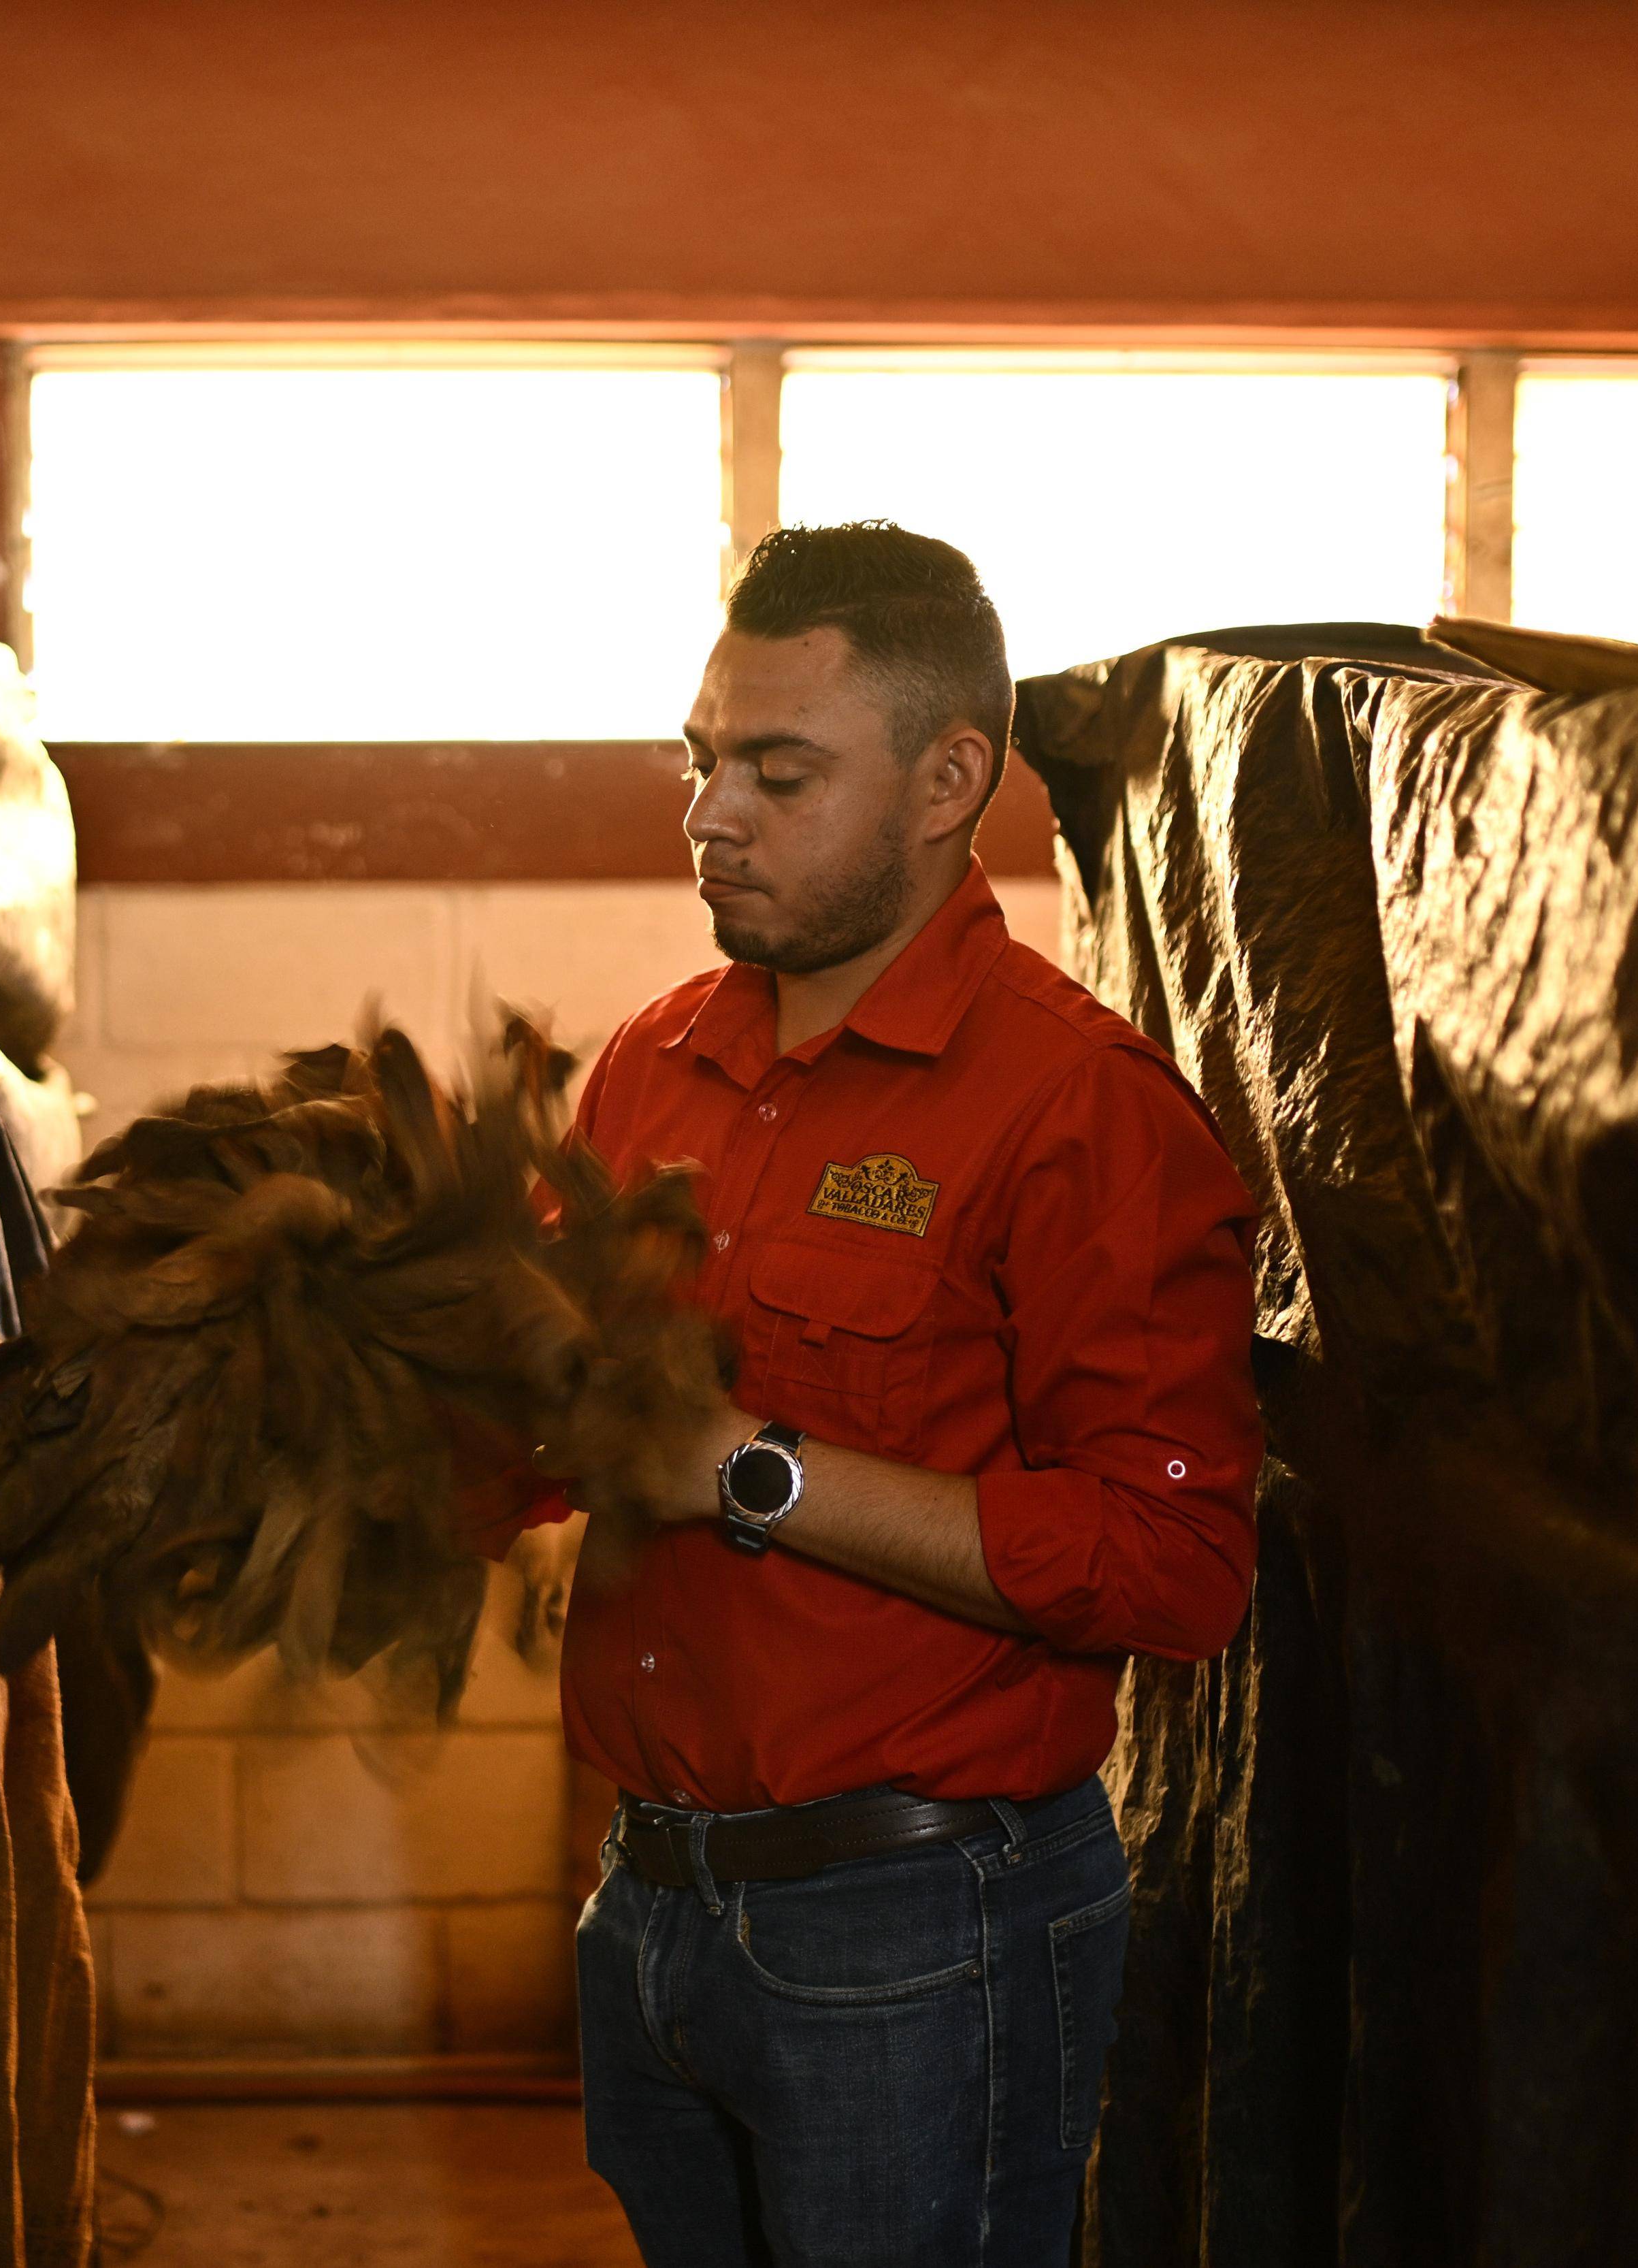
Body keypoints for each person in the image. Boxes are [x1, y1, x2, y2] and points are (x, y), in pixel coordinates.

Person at [511, 521, 1263, 2267]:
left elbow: (1172, 1565)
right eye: (699, 763)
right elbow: (543, 1424)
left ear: (949, 780)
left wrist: (750, 1472)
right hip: (652, 1904)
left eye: (779, 772)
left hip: (920, 1927)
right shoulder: (656, 1061)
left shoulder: (1078, 1109)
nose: (712, 814)